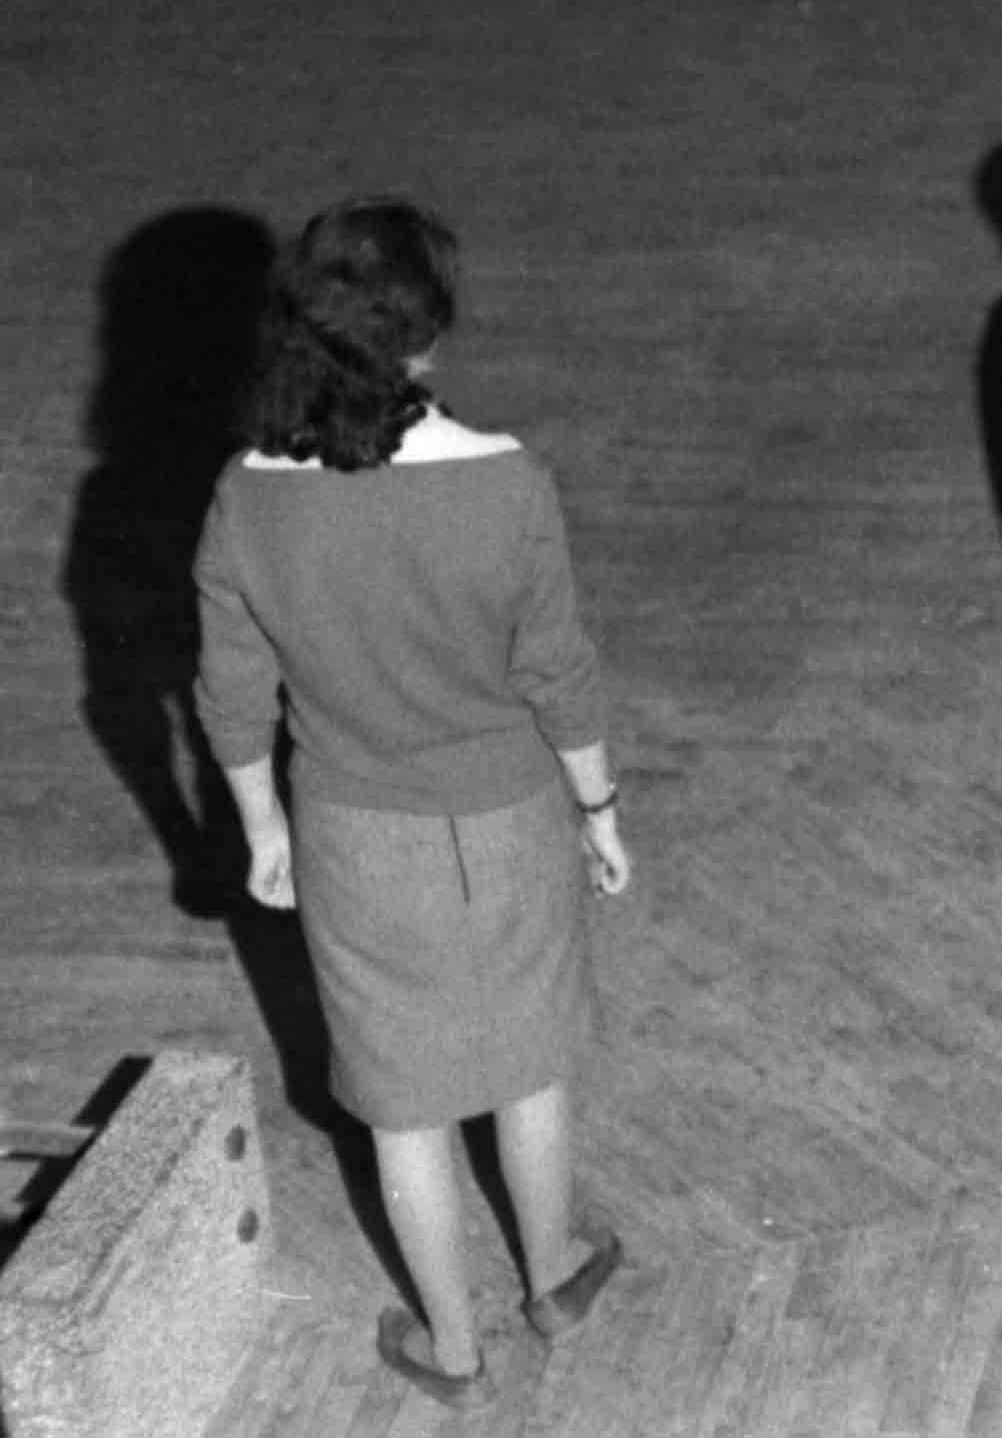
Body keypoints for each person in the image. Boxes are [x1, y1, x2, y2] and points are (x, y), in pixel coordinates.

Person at [193, 199, 629, 1403]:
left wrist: (261, 831)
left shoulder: (248, 495)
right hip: (509, 819)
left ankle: (450, 1346)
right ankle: (552, 1275)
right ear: (426, 336)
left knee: (403, 1106)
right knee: (530, 1066)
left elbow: (230, 696)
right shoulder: (507, 479)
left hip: (354, 835)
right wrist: (598, 810)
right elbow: (559, 671)